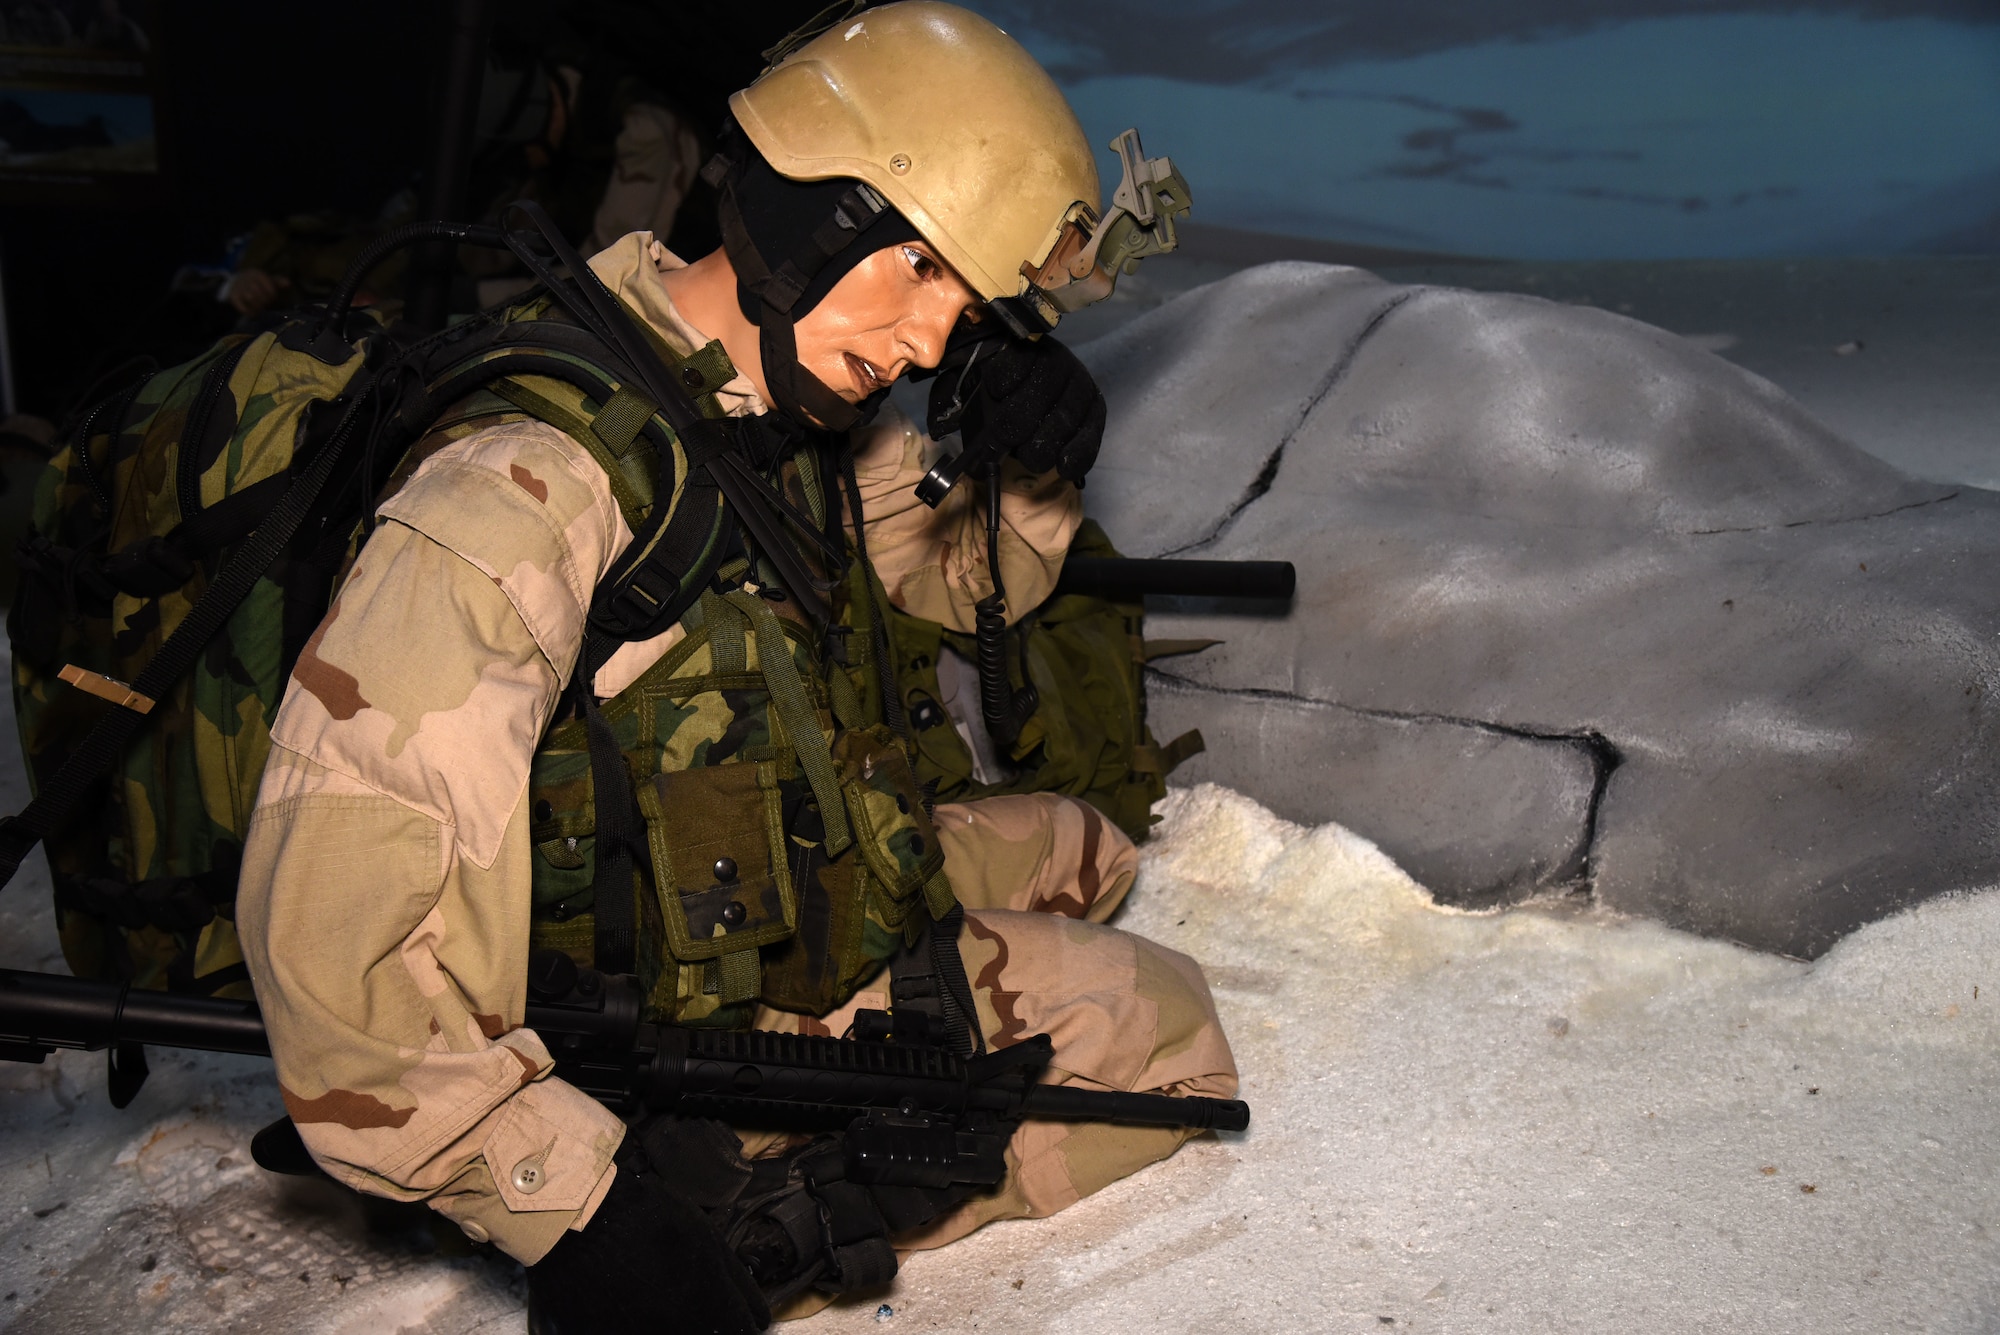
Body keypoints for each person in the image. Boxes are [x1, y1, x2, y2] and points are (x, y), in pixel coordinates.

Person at [235, 5, 1235, 1330]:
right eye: (921, 275)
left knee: (1089, 850)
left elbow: (957, 587)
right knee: (1175, 1038)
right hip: (643, 963)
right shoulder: (526, 490)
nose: (929, 344)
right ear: (820, 212)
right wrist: (574, 1208)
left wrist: (1031, 464)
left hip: (766, 856)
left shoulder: (782, 404)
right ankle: (749, 1220)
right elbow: (329, 924)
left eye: (964, 305)